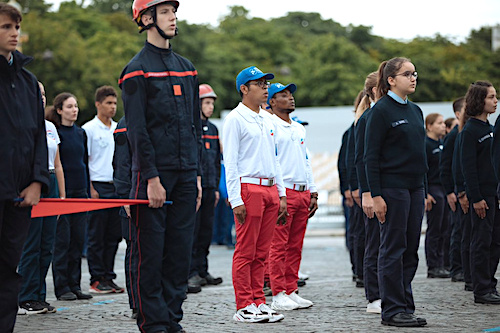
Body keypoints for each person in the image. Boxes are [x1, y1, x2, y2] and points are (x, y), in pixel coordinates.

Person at [119, 1, 202, 331]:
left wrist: (195, 175)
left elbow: (194, 126)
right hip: (152, 176)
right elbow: (136, 131)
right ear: (147, 19)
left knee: (179, 253)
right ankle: (153, 323)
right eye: (166, 12)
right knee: (149, 255)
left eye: (174, 12)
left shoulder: (188, 68)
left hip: (185, 175)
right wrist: (151, 177)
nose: (173, 18)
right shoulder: (135, 70)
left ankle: (171, 319)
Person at [365, 57, 427, 327]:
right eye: (407, 74)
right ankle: (391, 311)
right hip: (392, 188)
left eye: (414, 74)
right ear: (391, 80)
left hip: (415, 187)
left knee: (411, 249)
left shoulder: (415, 111)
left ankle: (405, 305)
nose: (413, 78)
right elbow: (370, 157)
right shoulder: (380, 111)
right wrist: (376, 195)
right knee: (393, 248)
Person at [223, 66, 287, 323]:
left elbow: (275, 159)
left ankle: (259, 301)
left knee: (263, 252)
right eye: (259, 83)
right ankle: (244, 305)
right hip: (248, 187)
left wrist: (281, 194)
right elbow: (231, 162)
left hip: (270, 188)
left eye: (266, 83)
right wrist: (235, 198)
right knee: (246, 250)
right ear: (244, 89)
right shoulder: (235, 119)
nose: (265, 88)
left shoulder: (268, 119)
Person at [0, 3, 49, 330]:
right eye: (6, 27)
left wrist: (36, 181)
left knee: (8, 269)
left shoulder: (30, 82)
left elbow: (38, 137)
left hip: (19, 194)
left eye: (16, 26)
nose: (14, 33)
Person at [266, 82, 318, 312]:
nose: (291, 98)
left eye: (291, 95)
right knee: (279, 245)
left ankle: (291, 289)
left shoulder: (298, 128)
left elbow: (305, 161)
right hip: (284, 190)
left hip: (302, 190)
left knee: (295, 246)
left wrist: (313, 189)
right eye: (283, 95)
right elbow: (272, 161)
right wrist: (279, 194)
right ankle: (277, 293)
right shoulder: (270, 125)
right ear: (272, 102)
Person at [17, 81, 66, 315]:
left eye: (45, 94)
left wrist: (62, 197)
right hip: (31, 181)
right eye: (38, 94)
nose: (42, 98)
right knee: (31, 244)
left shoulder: (50, 127)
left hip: (51, 182)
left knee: (47, 245)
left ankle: (39, 295)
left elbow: (57, 164)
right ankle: (25, 296)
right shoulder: (21, 124)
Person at [48, 93, 93, 302]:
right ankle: (62, 286)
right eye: (69, 107)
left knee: (78, 241)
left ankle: (75, 284)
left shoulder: (81, 133)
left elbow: (84, 161)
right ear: (59, 110)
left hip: (81, 191)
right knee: (62, 242)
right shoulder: (56, 133)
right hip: (64, 194)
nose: (74, 110)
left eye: (75, 106)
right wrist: (61, 195)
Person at [461, 80, 499, 304]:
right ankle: (481, 289)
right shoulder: (470, 131)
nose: (495, 101)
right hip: (481, 197)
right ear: (479, 100)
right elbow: (469, 168)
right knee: (481, 242)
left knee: (495, 242)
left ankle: (490, 284)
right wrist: (475, 197)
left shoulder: (491, 129)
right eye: (491, 97)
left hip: (494, 195)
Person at [82, 86, 123, 294]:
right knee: (96, 235)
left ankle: (108, 275)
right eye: (108, 103)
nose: (112, 107)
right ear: (98, 104)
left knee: (113, 236)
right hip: (97, 186)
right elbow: (85, 160)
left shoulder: (117, 128)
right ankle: (96, 278)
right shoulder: (88, 129)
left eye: (115, 103)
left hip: (115, 186)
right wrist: (90, 187)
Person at [188, 84, 223, 292]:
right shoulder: (192, 128)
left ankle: (202, 269)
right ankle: (191, 271)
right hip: (196, 189)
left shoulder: (214, 129)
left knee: (206, 232)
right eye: (207, 103)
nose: (210, 107)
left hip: (210, 187)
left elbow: (217, 160)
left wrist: (217, 187)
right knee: (194, 230)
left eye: (211, 103)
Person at [353, 72, 381, 314]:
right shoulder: (366, 119)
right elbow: (361, 160)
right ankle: (374, 296)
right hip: (374, 191)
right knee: (375, 242)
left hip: (391, 189)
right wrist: (367, 193)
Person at [112, 115, 138, 319]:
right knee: (136, 252)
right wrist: (125, 196)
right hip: (133, 196)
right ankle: (137, 302)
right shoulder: (126, 123)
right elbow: (121, 164)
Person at [440, 97, 466, 283]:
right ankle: (456, 268)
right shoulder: (453, 135)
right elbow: (446, 165)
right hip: (457, 191)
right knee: (458, 230)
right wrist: (450, 191)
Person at [424, 113, 450, 279]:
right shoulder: (425, 144)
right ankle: (433, 265)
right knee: (434, 229)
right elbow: (422, 170)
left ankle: (442, 263)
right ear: (429, 126)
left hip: (444, 189)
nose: (443, 126)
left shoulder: (442, 143)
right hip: (433, 190)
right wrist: (425, 193)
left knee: (445, 228)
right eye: (439, 123)